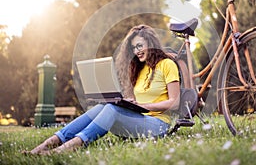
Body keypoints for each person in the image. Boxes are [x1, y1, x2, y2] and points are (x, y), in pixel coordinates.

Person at [23, 24, 180, 155]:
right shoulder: (140, 69)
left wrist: (146, 107)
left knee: (111, 109)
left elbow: (175, 102)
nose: (137, 51)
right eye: (133, 48)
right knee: (103, 106)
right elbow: (142, 100)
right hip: (140, 119)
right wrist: (130, 103)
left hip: (159, 125)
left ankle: (67, 148)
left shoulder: (167, 64)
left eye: (140, 45)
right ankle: (46, 145)